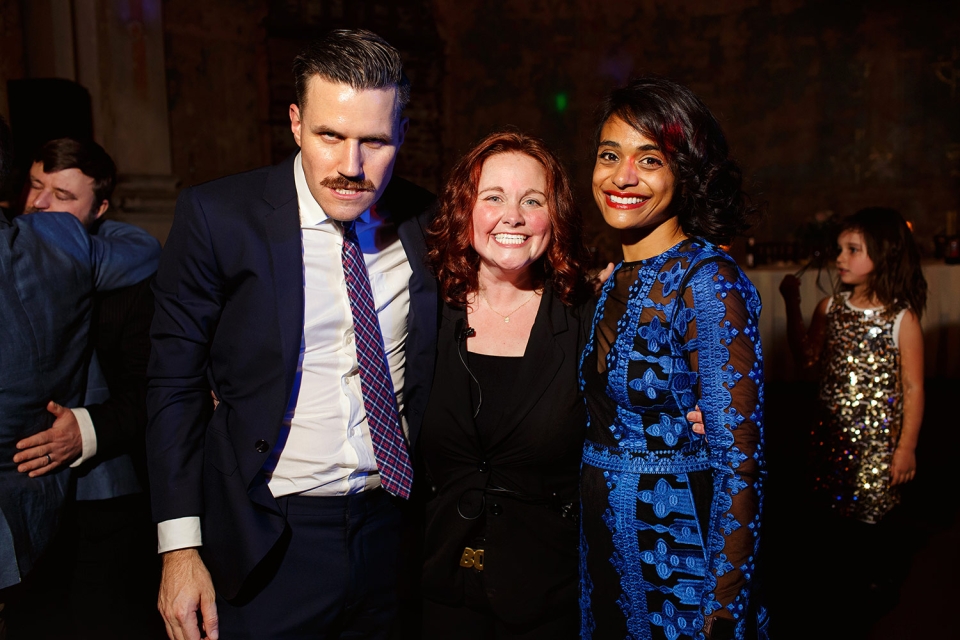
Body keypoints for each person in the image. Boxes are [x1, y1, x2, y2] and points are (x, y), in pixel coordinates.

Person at [146, 29, 437, 640]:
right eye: (330, 135)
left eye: (374, 141)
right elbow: (172, 386)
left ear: (402, 134)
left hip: (393, 532)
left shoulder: (426, 221)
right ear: (296, 123)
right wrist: (179, 549)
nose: (351, 166)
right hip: (270, 536)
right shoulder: (219, 218)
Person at [578, 77, 767, 640]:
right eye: (609, 155)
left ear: (686, 174)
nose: (622, 177)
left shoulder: (706, 280)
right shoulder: (610, 282)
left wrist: (722, 607)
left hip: (678, 560)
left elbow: (742, 463)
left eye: (650, 160)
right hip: (601, 552)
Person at [418, 131, 592, 638]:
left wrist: (686, 416)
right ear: (464, 209)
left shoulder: (588, 319)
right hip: (438, 590)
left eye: (532, 201)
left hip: (547, 597)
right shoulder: (425, 311)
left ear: (555, 217)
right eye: (493, 197)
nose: (512, 217)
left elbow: (631, 414)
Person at [8, 137, 163, 638]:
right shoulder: (13, 257)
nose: (40, 204)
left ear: (99, 210)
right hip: (24, 493)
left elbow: (154, 389)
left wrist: (87, 430)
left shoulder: (130, 276)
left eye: (63, 196)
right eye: (34, 186)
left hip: (104, 496)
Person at [779, 207, 925, 633]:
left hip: (878, 446)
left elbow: (914, 388)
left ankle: (875, 588)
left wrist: (906, 448)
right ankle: (838, 592)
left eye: (853, 249)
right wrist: (792, 303)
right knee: (830, 522)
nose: (840, 257)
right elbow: (806, 359)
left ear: (884, 254)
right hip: (830, 437)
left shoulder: (901, 318)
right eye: (840, 248)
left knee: (871, 523)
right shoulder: (830, 307)